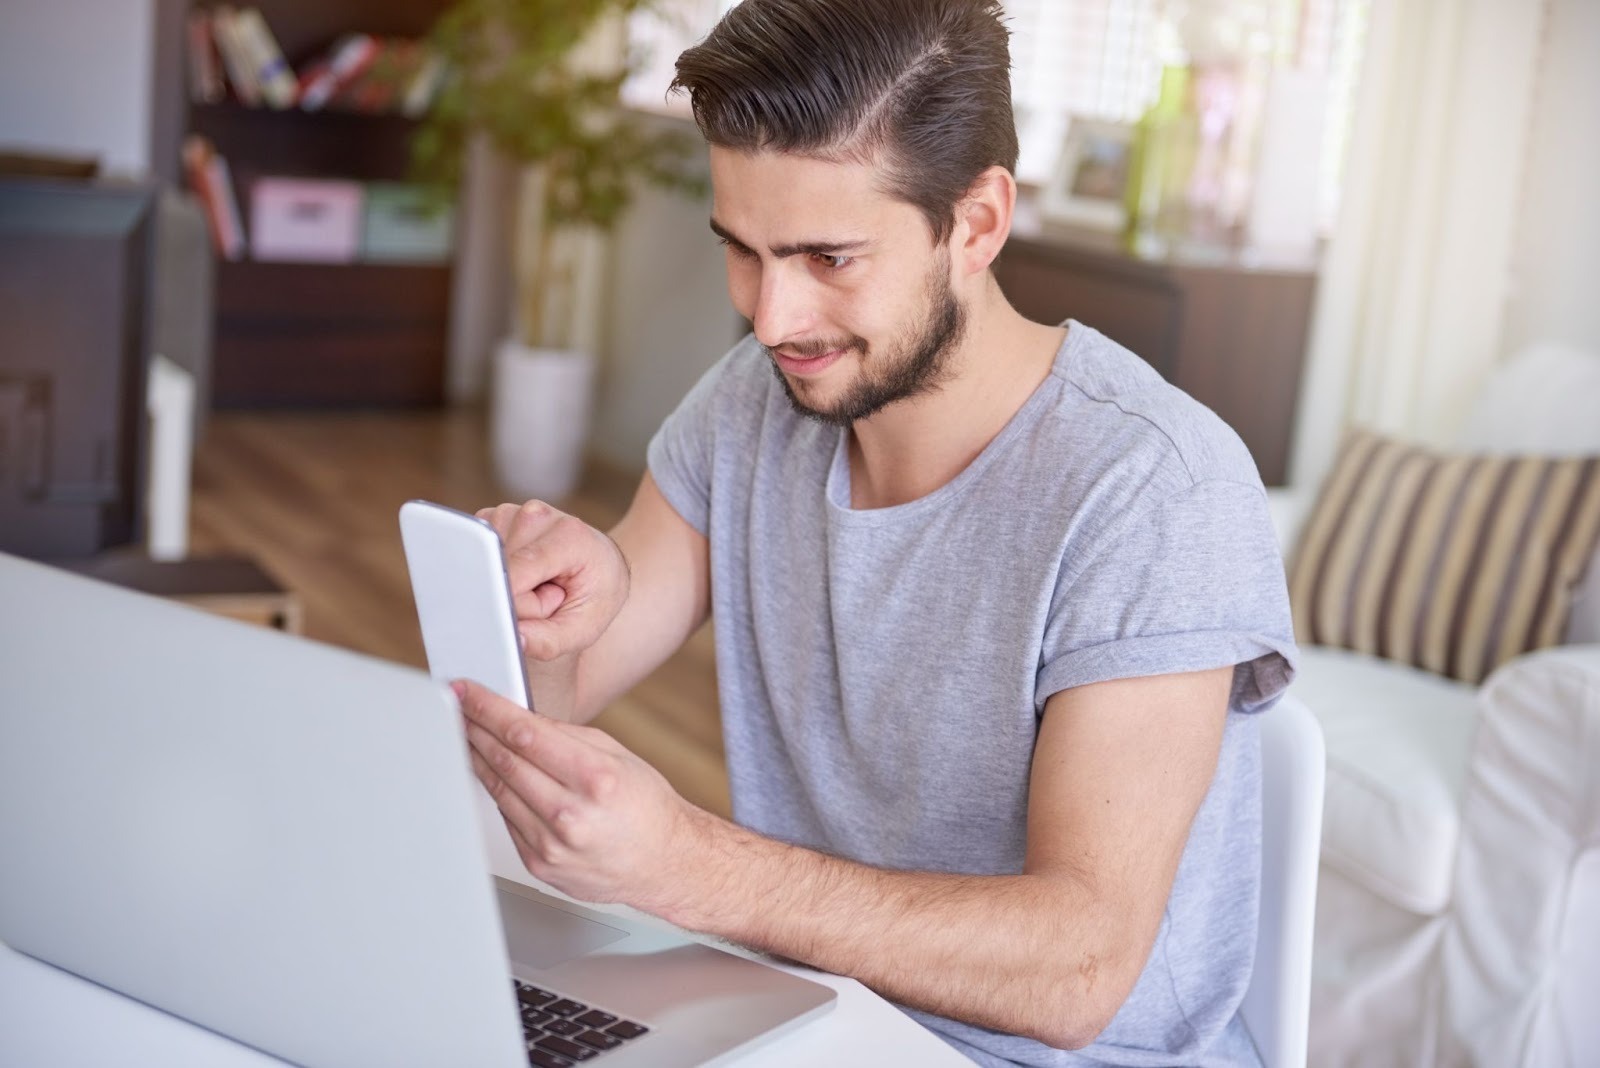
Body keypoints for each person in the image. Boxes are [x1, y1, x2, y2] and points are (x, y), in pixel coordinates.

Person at [453, 0, 1297, 1063]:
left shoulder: (1153, 489)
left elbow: (1078, 971)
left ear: (978, 224)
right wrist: (546, 617)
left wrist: (690, 868)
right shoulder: (755, 403)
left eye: (828, 259)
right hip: (818, 1024)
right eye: (744, 251)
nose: (771, 317)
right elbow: (559, 698)